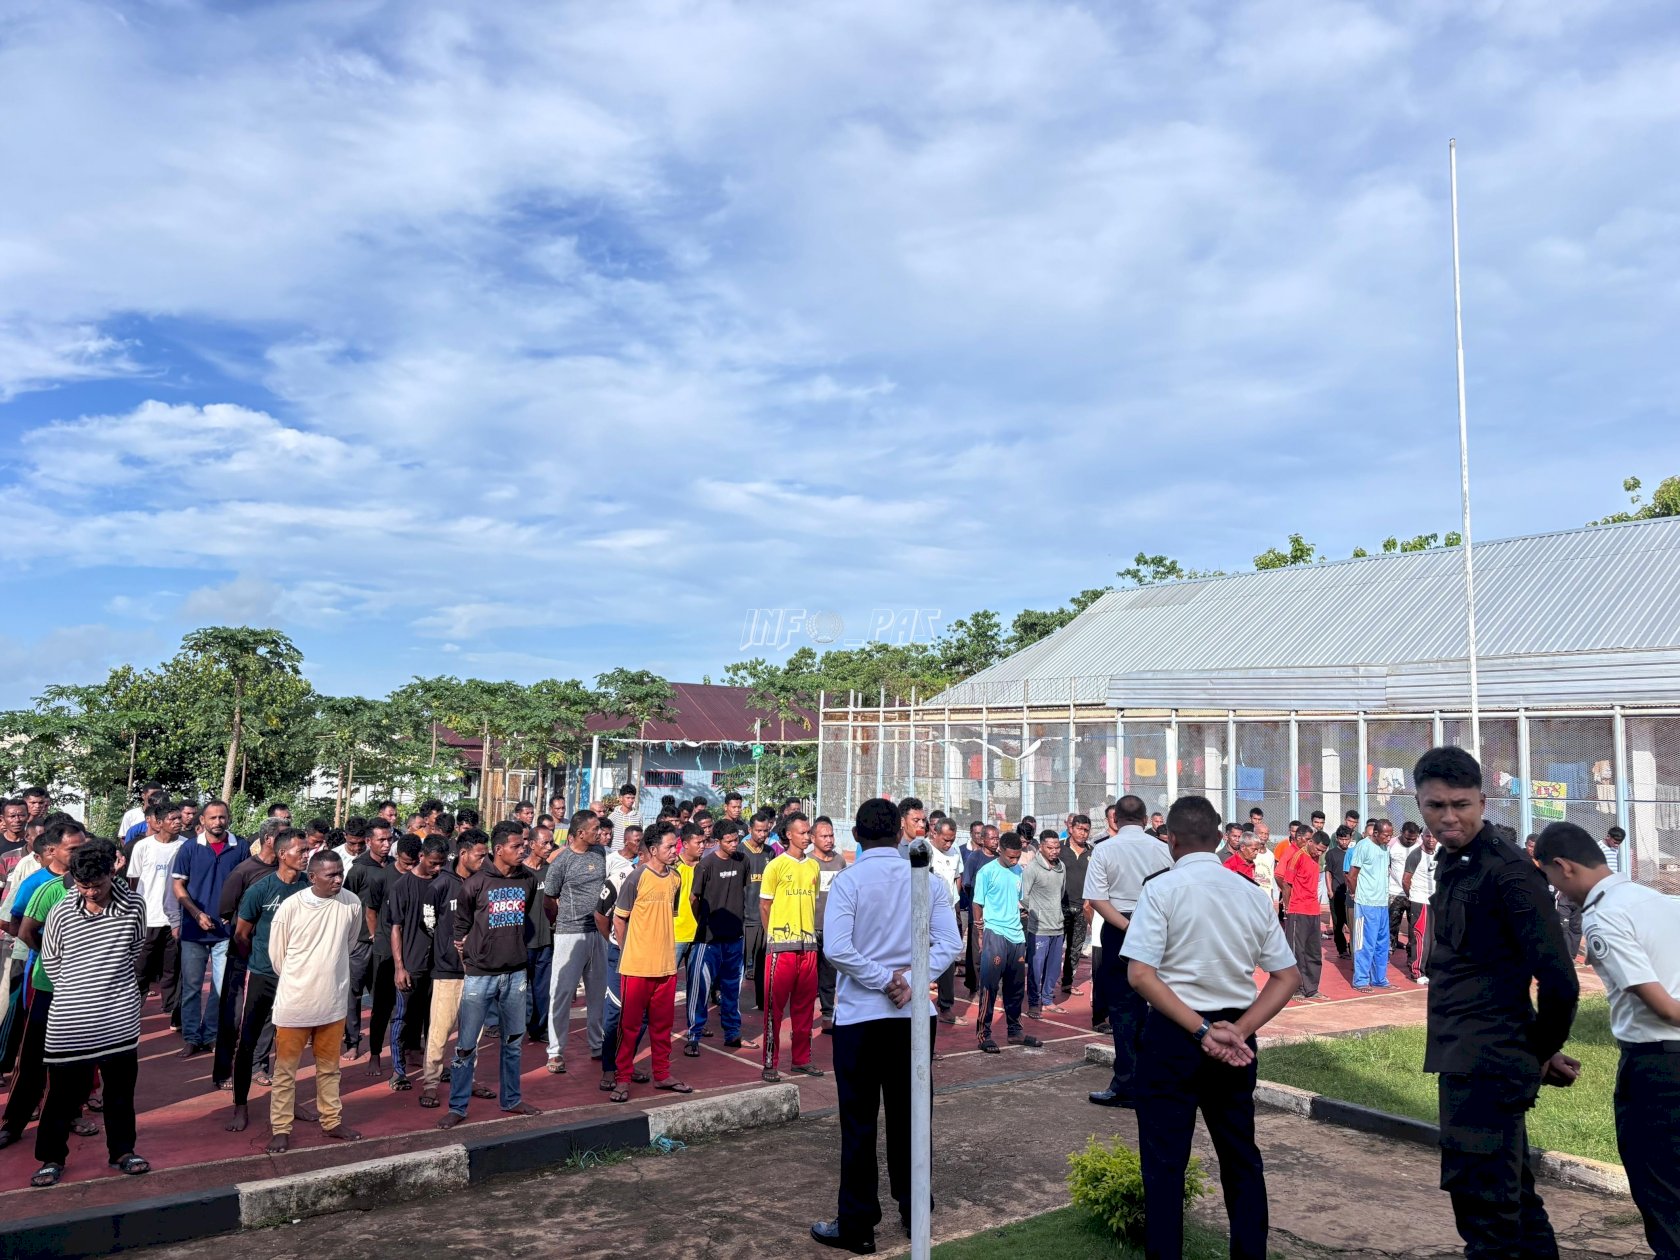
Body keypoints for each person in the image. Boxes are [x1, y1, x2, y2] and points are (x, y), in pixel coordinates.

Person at [1414, 746, 1579, 1258]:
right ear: (1419, 804)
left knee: (1487, 1215)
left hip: (1489, 1065)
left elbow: (1560, 980)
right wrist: (1536, 1049)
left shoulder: (1509, 872)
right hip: (1466, 1056)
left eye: (1460, 804)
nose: (1449, 817)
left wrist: (1535, 1051)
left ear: (1482, 802)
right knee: (1514, 1205)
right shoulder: (1453, 861)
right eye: (1435, 805)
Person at [1123, 795, 1300, 1260]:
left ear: (1171, 839)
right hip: (1235, 1035)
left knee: (1164, 1165)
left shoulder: (1161, 889)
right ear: (1221, 838)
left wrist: (1202, 1031)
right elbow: (1287, 977)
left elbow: (1140, 975)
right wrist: (1238, 1030)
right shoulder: (1249, 892)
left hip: (1175, 1033)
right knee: (1240, 1158)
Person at [811, 798, 961, 1254]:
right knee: (912, 1116)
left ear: (856, 836)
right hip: (910, 1016)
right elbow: (949, 943)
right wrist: (909, 981)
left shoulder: (850, 880)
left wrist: (885, 980)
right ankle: (915, 1212)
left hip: (862, 1018)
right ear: (900, 833)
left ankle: (858, 1225)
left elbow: (836, 948)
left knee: (859, 1122)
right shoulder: (927, 880)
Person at [1538, 820, 1680, 1260]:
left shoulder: (1604, 917)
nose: (1556, 890)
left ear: (1563, 867)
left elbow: (1663, 1006)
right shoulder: (1657, 900)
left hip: (1658, 1069)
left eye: (1551, 878)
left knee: (1664, 1195)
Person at [28, 840, 149, 1188]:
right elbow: (52, 961)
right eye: (83, 886)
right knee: (61, 1095)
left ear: (112, 872)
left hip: (119, 1017)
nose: (91, 892)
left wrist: (112, 985)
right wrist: (79, 990)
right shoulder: (61, 912)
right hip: (71, 1019)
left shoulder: (134, 906)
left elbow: (135, 948)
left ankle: (123, 1151)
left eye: (97, 884)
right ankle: (52, 1158)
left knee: (120, 1092)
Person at [265, 850, 365, 1153]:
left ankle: (331, 1121)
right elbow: (277, 956)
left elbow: (349, 943)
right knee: (285, 1072)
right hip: (295, 1003)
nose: (338, 879)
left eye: (340, 873)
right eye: (330, 874)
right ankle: (281, 1128)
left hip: (332, 1003)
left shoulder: (352, 903)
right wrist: (301, 979)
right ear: (312, 877)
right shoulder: (291, 907)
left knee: (330, 1069)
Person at [442, 822, 541, 1127]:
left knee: (513, 1042)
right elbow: (460, 927)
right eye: (516, 846)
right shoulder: (475, 884)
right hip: (479, 975)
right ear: (498, 850)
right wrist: (471, 959)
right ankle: (458, 1106)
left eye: (524, 844)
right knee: (466, 1045)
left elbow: (524, 917)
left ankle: (511, 1099)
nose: (523, 849)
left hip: (515, 974)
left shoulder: (528, 879)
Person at [1083, 795, 1172, 1105]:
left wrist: (1126, 926)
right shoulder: (1162, 849)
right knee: (1158, 1004)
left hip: (1119, 928)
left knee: (1123, 1009)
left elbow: (1097, 899)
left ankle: (1126, 1084)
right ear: (1146, 820)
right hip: (1155, 927)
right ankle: (1153, 1078)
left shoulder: (1104, 849)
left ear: (1115, 820)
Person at [227, 829, 312, 1132]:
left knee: (290, 1043)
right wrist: (262, 960)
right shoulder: (260, 890)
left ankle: (288, 1101)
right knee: (248, 1041)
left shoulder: (309, 888)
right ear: (282, 854)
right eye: (301, 851)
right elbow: (241, 934)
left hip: (296, 978)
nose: (306, 856)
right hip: (263, 975)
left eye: (307, 850)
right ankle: (240, 1105)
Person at [610, 823, 691, 1102]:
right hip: (636, 967)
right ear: (653, 850)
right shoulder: (636, 877)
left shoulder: (676, 879)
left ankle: (662, 1074)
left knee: (662, 1027)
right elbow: (619, 919)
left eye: (675, 845)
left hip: (666, 967)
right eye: (669, 846)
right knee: (629, 1027)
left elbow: (669, 915)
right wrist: (628, 951)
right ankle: (622, 1078)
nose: (674, 850)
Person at [170, 800, 250, 1057]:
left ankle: (212, 1035)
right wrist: (196, 913)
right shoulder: (189, 848)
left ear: (229, 818)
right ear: (202, 820)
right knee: (192, 987)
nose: (218, 822)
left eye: (222, 817)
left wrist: (234, 913)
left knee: (220, 987)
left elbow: (248, 886)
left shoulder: (241, 847)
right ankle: (192, 1037)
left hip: (225, 932)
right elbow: (178, 886)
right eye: (212, 817)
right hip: (193, 930)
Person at [419, 829, 486, 1110]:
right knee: (440, 1031)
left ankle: (467, 1079)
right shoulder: (440, 885)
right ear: (463, 853)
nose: (483, 860)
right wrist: (447, 947)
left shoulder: (485, 882)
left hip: (478, 970)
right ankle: (431, 1083)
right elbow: (428, 923)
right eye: (479, 855)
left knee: (473, 1033)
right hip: (447, 970)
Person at [543, 810, 608, 1075]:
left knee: (598, 994)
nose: (600, 833)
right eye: (595, 829)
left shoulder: (600, 853)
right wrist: (561, 923)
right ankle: (555, 1052)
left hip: (598, 933)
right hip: (569, 934)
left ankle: (598, 1044)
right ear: (580, 833)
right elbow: (549, 899)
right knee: (561, 994)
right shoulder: (562, 862)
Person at [760, 811, 823, 1083]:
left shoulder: (813, 867)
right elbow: (765, 905)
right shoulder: (775, 866)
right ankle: (770, 1063)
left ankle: (801, 1059)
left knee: (805, 1007)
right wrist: (772, 938)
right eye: (802, 832)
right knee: (774, 1010)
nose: (807, 837)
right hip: (781, 949)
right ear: (788, 835)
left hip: (808, 947)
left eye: (809, 832)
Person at [970, 832, 1041, 1054]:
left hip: (1016, 936)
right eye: (1011, 857)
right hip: (995, 933)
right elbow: (977, 903)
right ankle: (984, 1034)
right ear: (1000, 850)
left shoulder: (1019, 871)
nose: (1015, 860)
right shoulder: (987, 872)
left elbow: (1019, 899)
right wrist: (980, 932)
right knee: (990, 986)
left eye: (1017, 856)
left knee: (1016, 987)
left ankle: (1015, 1031)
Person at [388, 836, 447, 1090]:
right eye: (433, 863)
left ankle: (434, 1066)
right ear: (421, 857)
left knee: (437, 1019)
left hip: (440, 964)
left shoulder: (444, 882)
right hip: (412, 963)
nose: (437, 868)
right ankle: (398, 1071)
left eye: (441, 863)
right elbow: (396, 927)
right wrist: (399, 967)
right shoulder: (402, 886)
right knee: (402, 1018)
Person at [686, 819, 746, 1054]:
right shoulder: (706, 865)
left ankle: (732, 1032)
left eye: (736, 840)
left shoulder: (743, 861)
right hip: (708, 940)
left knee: (732, 988)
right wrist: (704, 922)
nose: (734, 844)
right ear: (718, 841)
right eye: (729, 841)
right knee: (699, 987)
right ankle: (694, 1035)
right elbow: (694, 899)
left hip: (735, 938)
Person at [127, 798, 184, 1022]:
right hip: (147, 918)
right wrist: (135, 912)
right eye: (173, 819)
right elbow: (134, 881)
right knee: (141, 966)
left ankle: (171, 1008)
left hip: (175, 919)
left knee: (172, 967)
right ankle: (133, 1006)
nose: (178, 822)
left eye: (179, 818)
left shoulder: (186, 846)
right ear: (159, 823)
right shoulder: (143, 847)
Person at [342, 817, 394, 1063]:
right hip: (360, 942)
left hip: (387, 941)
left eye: (389, 839)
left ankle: (386, 1044)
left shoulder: (395, 867)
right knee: (353, 993)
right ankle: (352, 1042)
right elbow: (346, 903)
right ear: (369, 841)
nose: (386, 844)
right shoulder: (358, 869)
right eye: (381, 840)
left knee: (383, 995)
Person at [1019, 831, 1066, 1019]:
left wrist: (1054, 912)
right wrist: (1038, 911)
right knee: (1035, 968)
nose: (1054, 851)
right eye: (1050, 847)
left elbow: (1060, 893)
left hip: (1058, 926)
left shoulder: (1061, 867)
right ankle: (1033, 1003)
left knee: (1054, 968)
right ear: (1041, 847)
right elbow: (1024, 895)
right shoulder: (1032, 868)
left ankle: (1047, 999)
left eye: (1057, 847)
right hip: (1038, 928)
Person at [922, 818, 963, 1028]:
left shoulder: (955, 853)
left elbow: (956, 879)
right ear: (934, 833)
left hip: (947, 911)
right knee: (921, 959)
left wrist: (954, 905)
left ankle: (946, 1006)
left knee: (948, 959)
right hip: (925, 914)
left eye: (952, 840)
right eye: (945, 839)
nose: (948, 844)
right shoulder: (924, 850)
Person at [1281, 830, 1328, 999]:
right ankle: (1296, 989)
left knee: (1313, 952)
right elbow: (1286, 884)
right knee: (1296, 952)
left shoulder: (1316, 859)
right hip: (1298, 910)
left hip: (1313, 911)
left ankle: (1311, 988)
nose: (1319, 853)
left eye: (1323, 851)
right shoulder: (1298, 857)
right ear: (1310, 842)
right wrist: (1288, 908)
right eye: (1318, 849)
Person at [1347, 819, 1393, 990]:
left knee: (1382, 943)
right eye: (1385, 835)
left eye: (1390, 835)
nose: (1388, 838)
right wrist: (1355, 894)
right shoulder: (1363, 846)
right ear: (1375, 833)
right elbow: (1352, 876)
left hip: (1382, 903)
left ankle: (1379, 978)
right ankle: (1361, 980)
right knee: (1365, 943)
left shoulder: (1385, 848)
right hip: (1366, 903)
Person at [740, 810, 775, 1010]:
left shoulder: (770, 852)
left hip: (764, 916)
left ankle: (762, 1001)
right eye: (758, 830)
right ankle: (724, 999)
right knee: (739, 965)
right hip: (744, 918)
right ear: (749, 830)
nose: (762, 834)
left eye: (765, 831)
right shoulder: (740, 852)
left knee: (763, 964)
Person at [1059, 815, 1093, 1000]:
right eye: (1079, 829)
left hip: (1082, 908)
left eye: (1086, 830)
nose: (1083, 833)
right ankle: (1045, 984)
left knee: (1075, 948)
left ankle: (1067, 982)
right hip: (1060, 907)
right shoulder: (1059, 848)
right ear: (1071, 829)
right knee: (1055, 947)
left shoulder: (1092, 852)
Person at [1403, 829, 1440, 984]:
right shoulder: (1415, 855)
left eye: (1434, 836)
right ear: (1422, 837)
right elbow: (1406, 880)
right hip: (1420, 900)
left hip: (1436, 901)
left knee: (1435, 938)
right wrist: (1412, 896)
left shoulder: (1440, 852)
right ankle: (1417, 972)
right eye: (1428, 836)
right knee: (1421, 937)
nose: (1431, 839)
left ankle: (1432, 970)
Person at [1326, 825, 1353, 959]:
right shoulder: (1331, 854)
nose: (1344, 842)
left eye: (1346, 839)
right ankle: (1342, 949)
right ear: (1337, 839)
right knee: (1338, 923)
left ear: (1350, 838)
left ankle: (1353, 948)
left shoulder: (1354, 853)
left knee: (1352, 923)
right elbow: (1328, 872)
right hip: (1336, 893)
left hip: (1351, 894)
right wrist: (1330, 891)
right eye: (1341, 839)